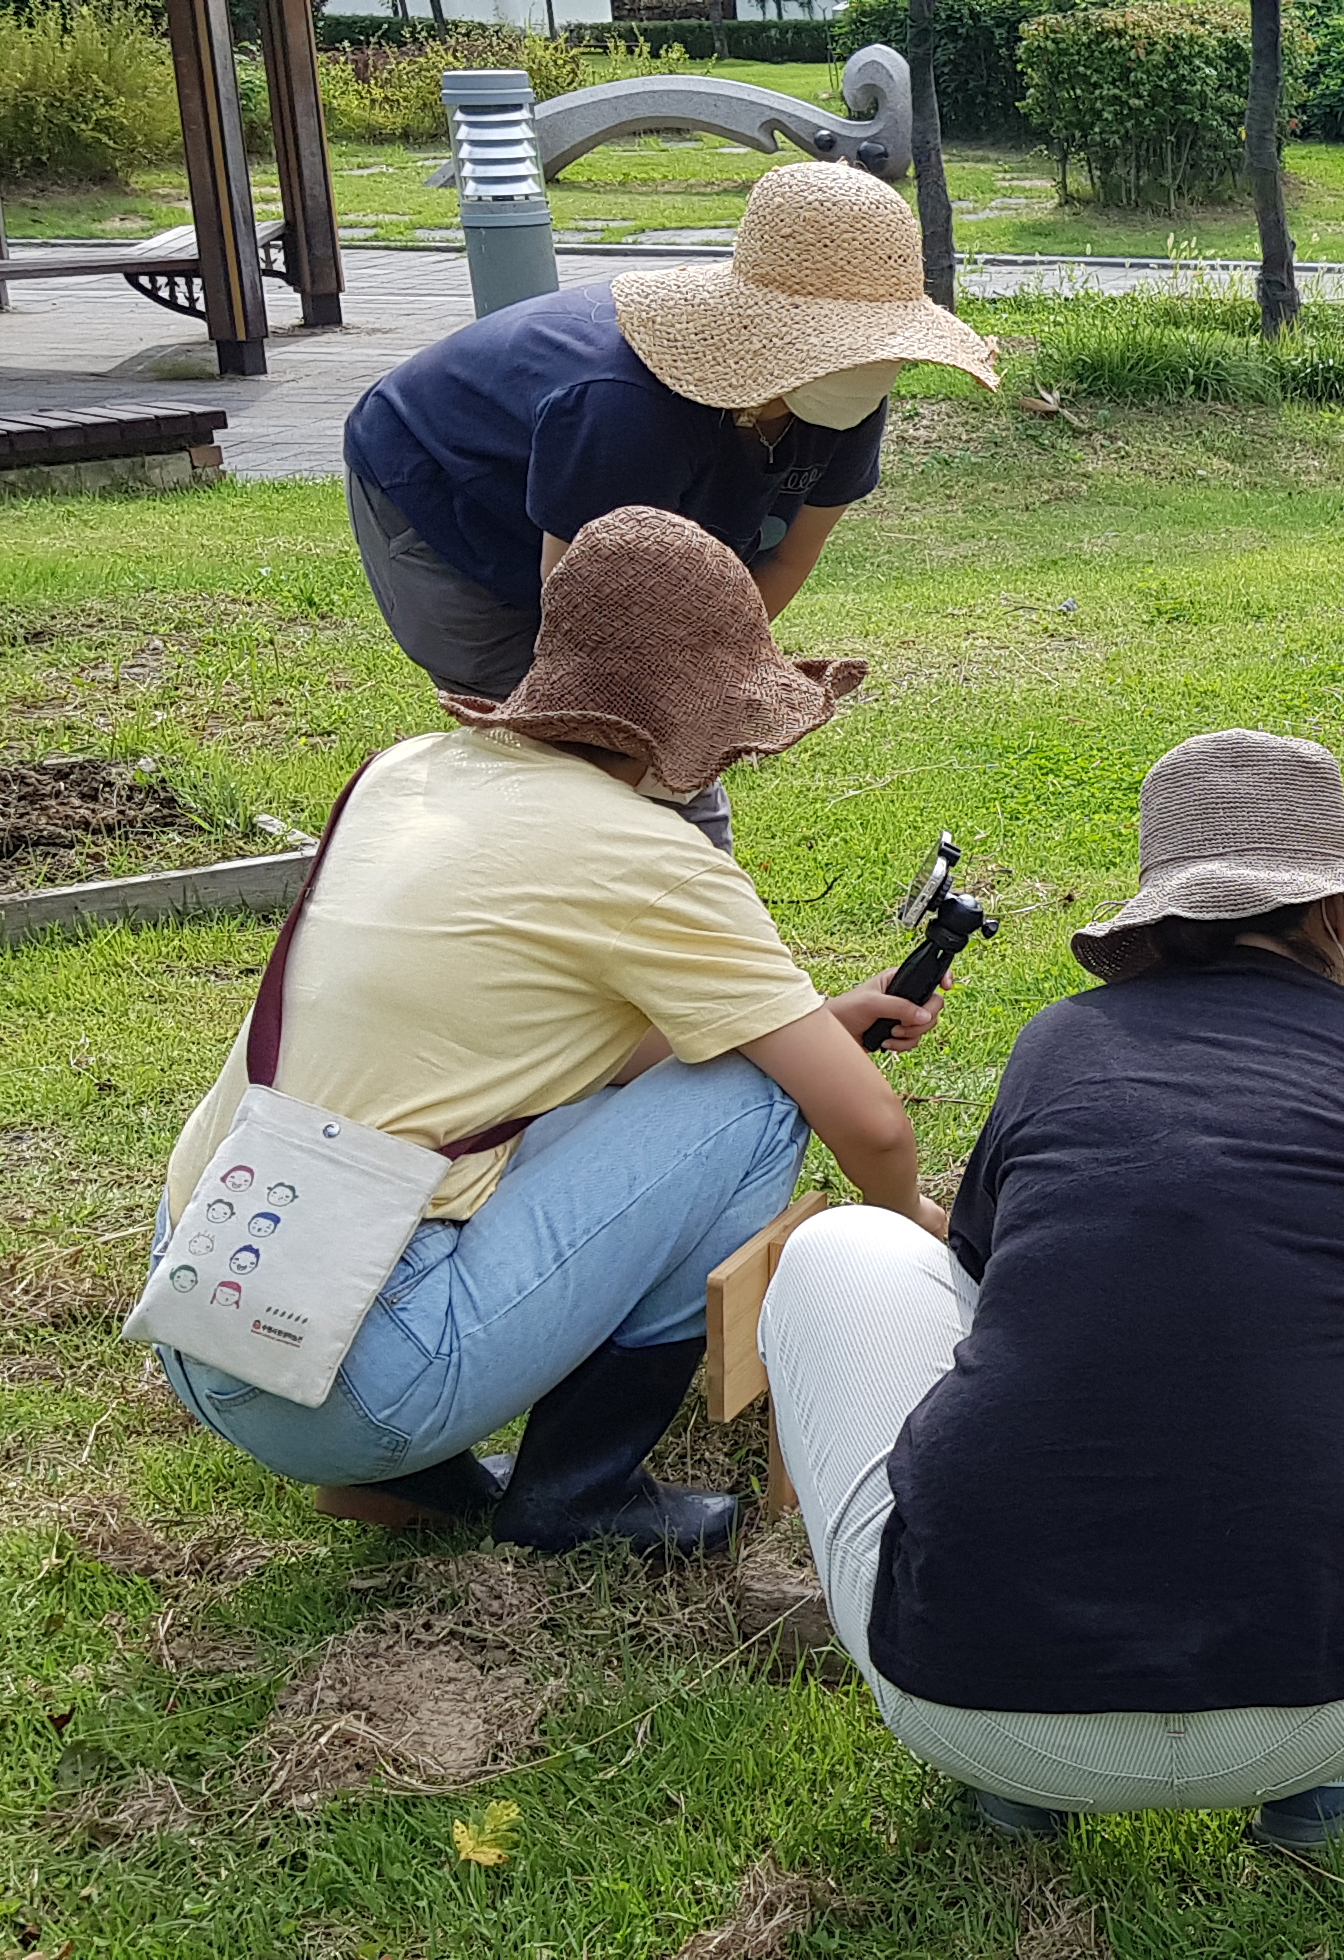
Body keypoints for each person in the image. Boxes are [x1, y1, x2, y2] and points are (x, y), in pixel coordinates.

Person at [757, 730, 1344, 1848]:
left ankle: (1027, 1778)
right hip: (1334, 1701)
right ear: (1338, 917)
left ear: (1153, 924)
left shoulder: (1057, 1045)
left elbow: (979, 1280)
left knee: (840, 1245)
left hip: (968, 1699)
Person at [152, 505, 949, 1554]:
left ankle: (401, 1483)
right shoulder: (653, 859)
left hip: (203, 1303)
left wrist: (800, 1021)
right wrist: (910, 1225)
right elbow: (869, 1122)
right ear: (694, 727)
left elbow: (555, 1046)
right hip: (365, 1379)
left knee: (523, 1102)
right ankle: (577, 1491)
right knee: (764, 1100)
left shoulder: (408, 771)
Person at [339, 161, 997, 848]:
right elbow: (581, 634)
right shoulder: (625, 408)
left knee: (658, 752)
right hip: (445, 489)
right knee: (557, 750)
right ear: (769, 334)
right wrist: (658, 748)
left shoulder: (847, 396)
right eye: (844, 348)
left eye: (884, 350)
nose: (874, 370)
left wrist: (698, 685)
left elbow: (783, 562)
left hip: (591, 483)